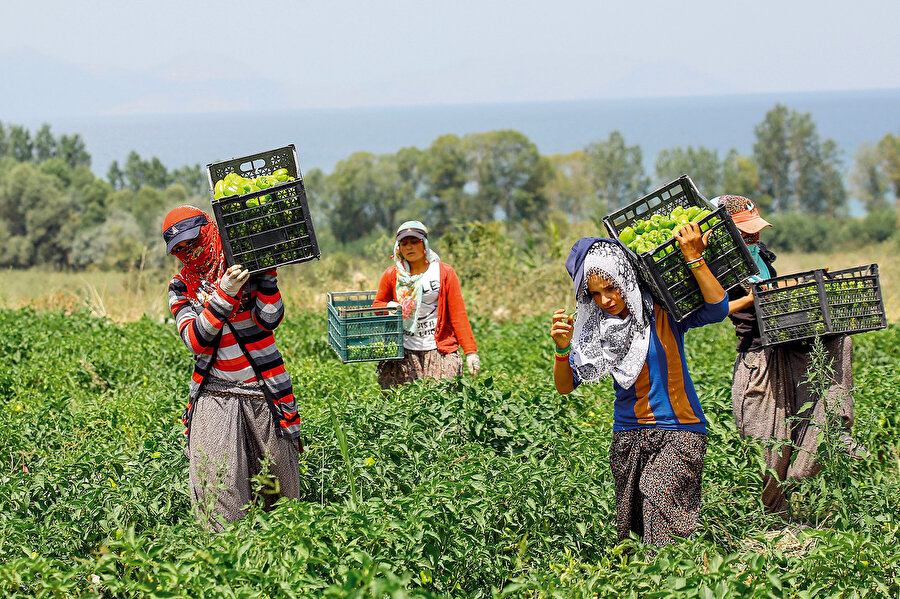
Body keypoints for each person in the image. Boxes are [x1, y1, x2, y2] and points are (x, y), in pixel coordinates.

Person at [550, 223, 728, 548]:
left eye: (612, 287)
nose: (605, 300)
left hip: (680, 430)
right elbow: (565, 385)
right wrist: (563, 348)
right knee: (634, 534)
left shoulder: (662, 311)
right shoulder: (595, 331)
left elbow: (718, 308)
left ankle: (662, 582)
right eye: (595, 294)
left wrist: (694, 258)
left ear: (626, 278)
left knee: (656, 502)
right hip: (628, 436)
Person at [718, 195, 864, 518]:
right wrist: (752, 299)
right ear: (725, 234)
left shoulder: (761, 261)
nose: (755, 239)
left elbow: (778, 306)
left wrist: (810, 291)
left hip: (784, 349)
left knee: (839, 341)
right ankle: (774, 526)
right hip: (756, 360)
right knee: (769, 450)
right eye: (747, 234)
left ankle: (832, 435)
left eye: (756, 232)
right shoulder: (718, 270)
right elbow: (711, 311)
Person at [163, 205, 302, 532]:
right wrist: (224, 295)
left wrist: (266, 274)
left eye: (192, 241)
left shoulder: (243, 265)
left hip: (263, 390)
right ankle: (227, 565)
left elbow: (269, 320)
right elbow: (196, 339)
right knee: (219, 494)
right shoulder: (181, 287)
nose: (188, 252)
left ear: (209, 230)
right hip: (215, 394)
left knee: (279, 494)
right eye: (179, 249)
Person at [373, 220, 480, 389]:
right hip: (405, 349)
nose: (409, 247)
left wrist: (470, 352)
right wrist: (389, 308)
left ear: (425, 244)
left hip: (439, 348)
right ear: (398, 247)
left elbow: (458, 314)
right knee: (403, 404)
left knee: (443, 399)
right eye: (404, 243)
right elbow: (377, 306)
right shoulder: (392, 275)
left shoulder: (443, 272)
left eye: (415, 242)